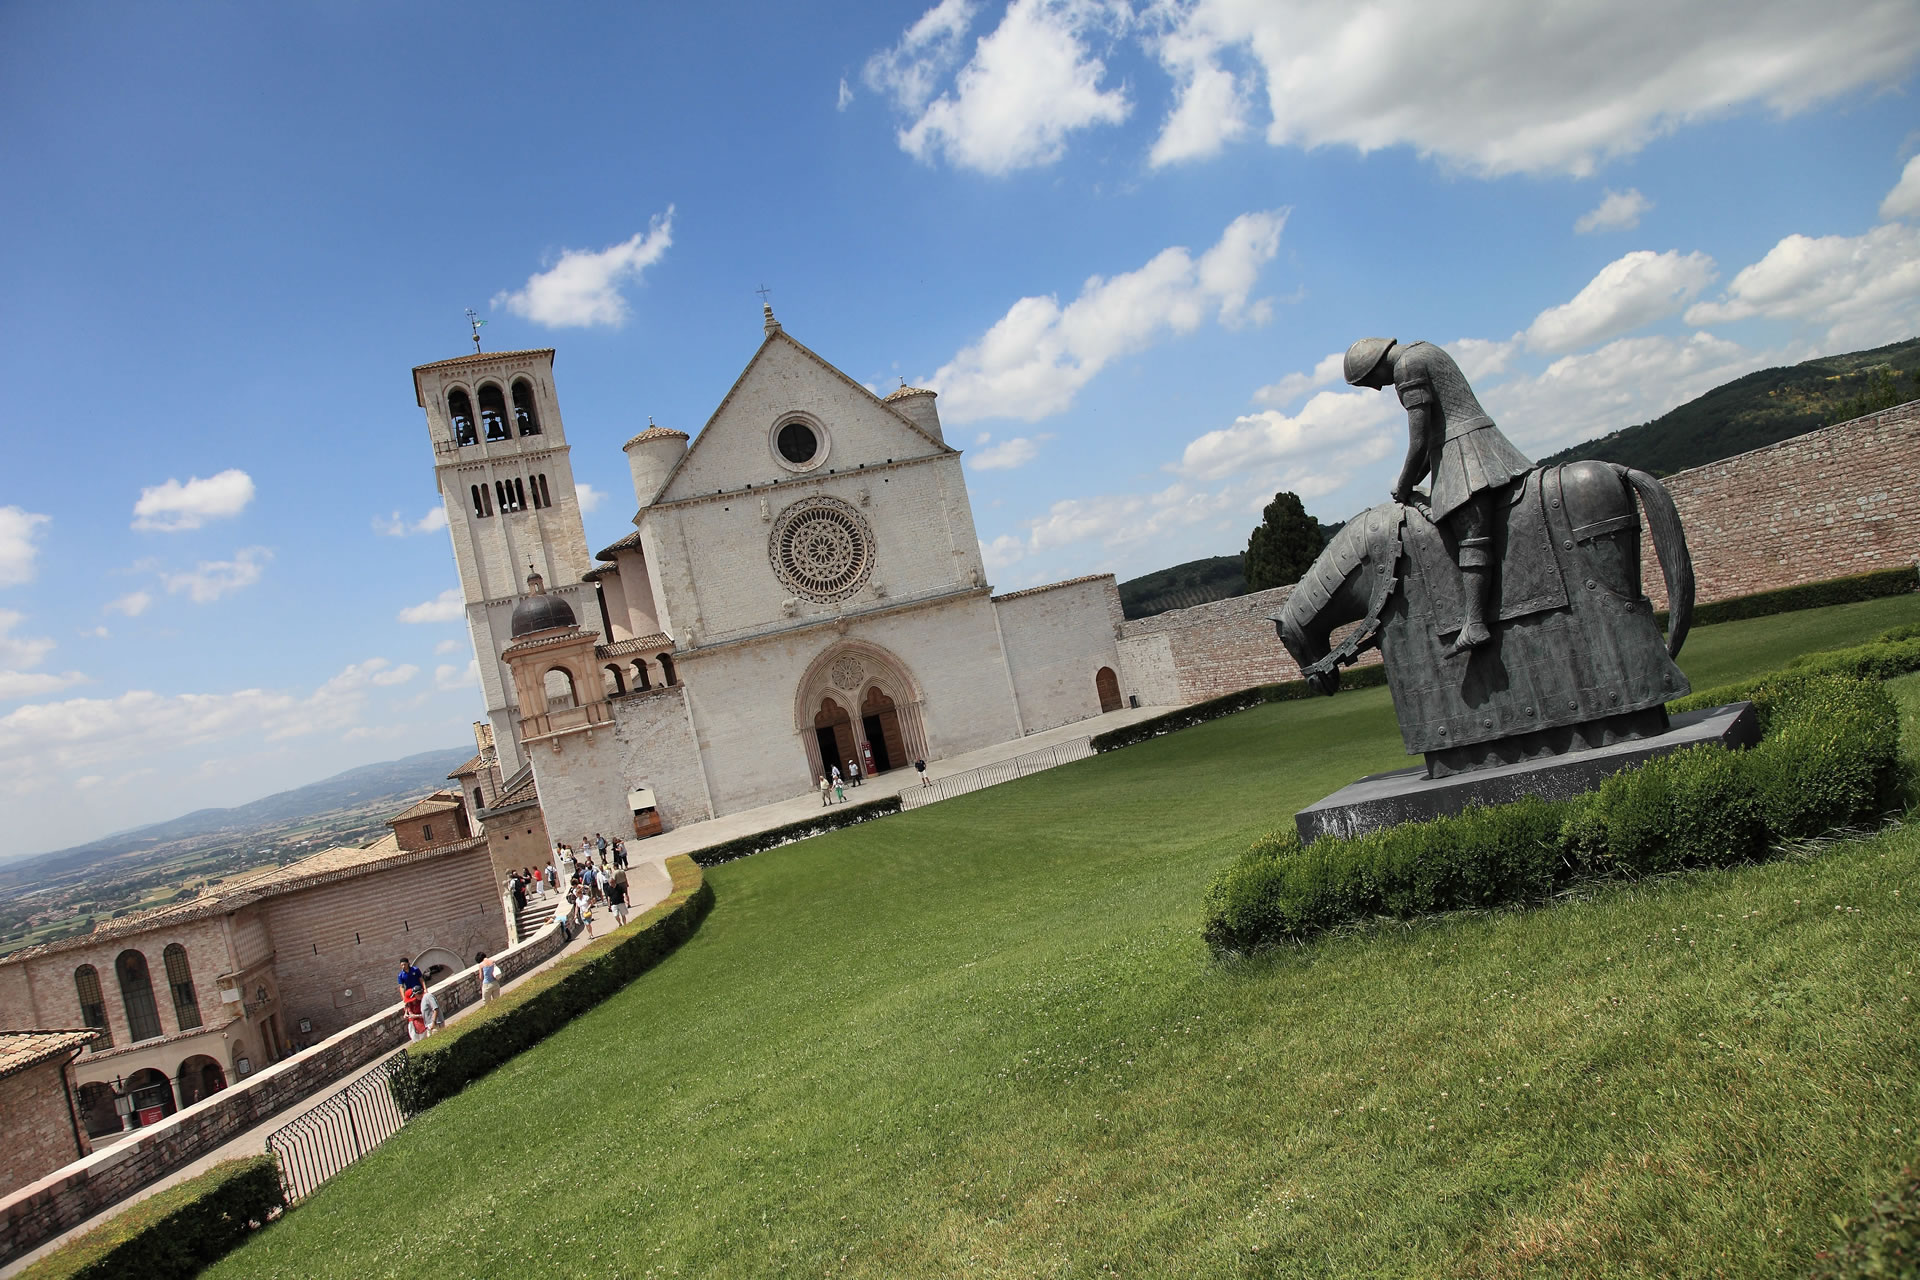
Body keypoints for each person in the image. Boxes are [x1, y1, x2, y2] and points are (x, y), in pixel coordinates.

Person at [1344, 337, 1533, 652]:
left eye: (1370, 382)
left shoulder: (1407, 367)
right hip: (1467, 445)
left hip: (1467, 452)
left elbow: (1419, 440)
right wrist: (1414, 478)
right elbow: (1434, 440)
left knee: (1470, 538)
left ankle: (1474, 623)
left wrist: (1404, 485)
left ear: (1375, 366)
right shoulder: (1424, 350)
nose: (1377, 388)